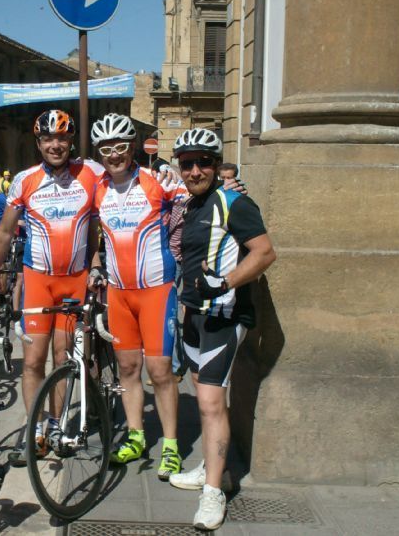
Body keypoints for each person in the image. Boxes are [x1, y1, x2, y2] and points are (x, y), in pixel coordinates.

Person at [0, 109, 104, 466]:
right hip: (38, 280)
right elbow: (4, 232)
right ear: (38, 143)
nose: (55, 145)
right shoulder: (24, 180)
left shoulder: (90, 174)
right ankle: (35, 427)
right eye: (48, 139)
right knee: (33, 360)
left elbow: (126, 181)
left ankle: (57, 424)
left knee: (62, 357)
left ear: (71, 141)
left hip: (74, 280)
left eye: (62, 138)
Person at [168, 128, 276, 531]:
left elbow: (265, 252)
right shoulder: (195, 204)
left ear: (216, 165)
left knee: (212, 403)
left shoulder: (235, 203)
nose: (195, 170)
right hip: (196, 315)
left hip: (225, 317)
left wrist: (227, 281)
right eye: (187, 164)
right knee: (205, 398)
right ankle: (213, 468)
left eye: (204, 162)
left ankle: (215, 491)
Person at [86, 113, 186, 480]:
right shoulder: (97, 189)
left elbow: (199, 203)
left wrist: (232, 191)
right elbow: (92, 233)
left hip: (157, 289)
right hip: (119, 292)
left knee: (160, 371)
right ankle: (136, 436)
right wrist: (95, 265)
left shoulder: (157, 181)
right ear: (99, 152)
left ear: (132, 148)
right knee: (128, 369)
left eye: (121, 147)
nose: (114, 155)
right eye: (106, 149)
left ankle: (172, 446)